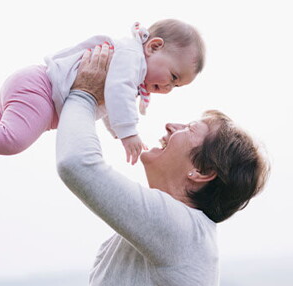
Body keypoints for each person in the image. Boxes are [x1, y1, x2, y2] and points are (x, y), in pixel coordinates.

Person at [57, 43, 270, 285]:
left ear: (202, 172)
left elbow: (76, 163)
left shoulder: (181, 230)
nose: (171, 125)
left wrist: (84, 94)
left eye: (190, 129)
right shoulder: (178, 232)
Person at [0, 19, 205, 176]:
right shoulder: (131, 58)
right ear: (154, 46)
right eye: (173, 77)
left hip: (32, 84)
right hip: (40, 91)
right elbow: (115, 93)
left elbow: (106, 105)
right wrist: (128, 132)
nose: (168, 88)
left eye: (176, 87)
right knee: (12, 140)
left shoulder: (130, 68)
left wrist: (116, 131)